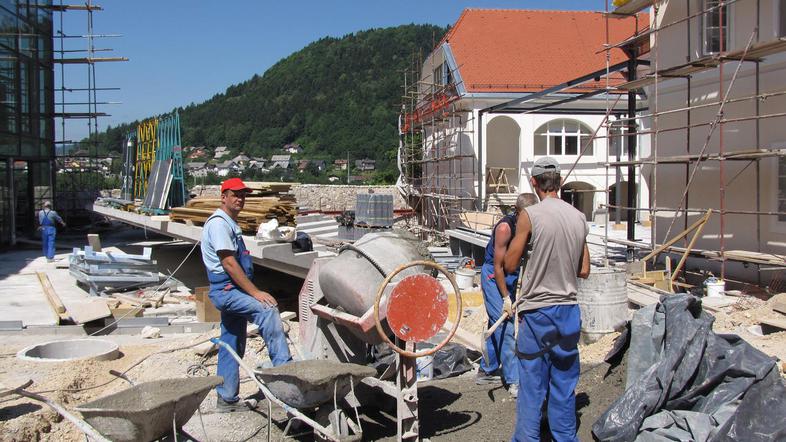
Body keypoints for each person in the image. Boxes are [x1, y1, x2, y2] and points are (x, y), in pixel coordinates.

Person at [504, 157, 590, 442]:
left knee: (532, 386)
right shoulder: (578, 217)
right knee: (564, 384)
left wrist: (527, 244)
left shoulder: (530, 215)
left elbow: (510, 264)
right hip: (568, 310)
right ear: (560, 182)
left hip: (538, 311)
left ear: (534, 183)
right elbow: (584, 269)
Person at [200, 177, 292, 412]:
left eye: (243, 195)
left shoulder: (230, 223)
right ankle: (287, 376)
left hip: (232, 289)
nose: (240, 198)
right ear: (224, 197)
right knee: (267, 309)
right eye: (235, 194)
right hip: (227, 290)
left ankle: (226, 397)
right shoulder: (220, 224)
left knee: (231, 341)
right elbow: (229, 263)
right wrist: (255, 292)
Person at [477, 193, 538, 398]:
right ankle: (514, 381)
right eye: (525, 216)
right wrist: (505, 298)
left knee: (497, 323)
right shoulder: (505, 228)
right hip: (494, 276)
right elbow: (498, 266)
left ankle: (487, 368)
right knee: (504, 323)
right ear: (517, 211)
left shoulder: (531, 224)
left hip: (510, 275)